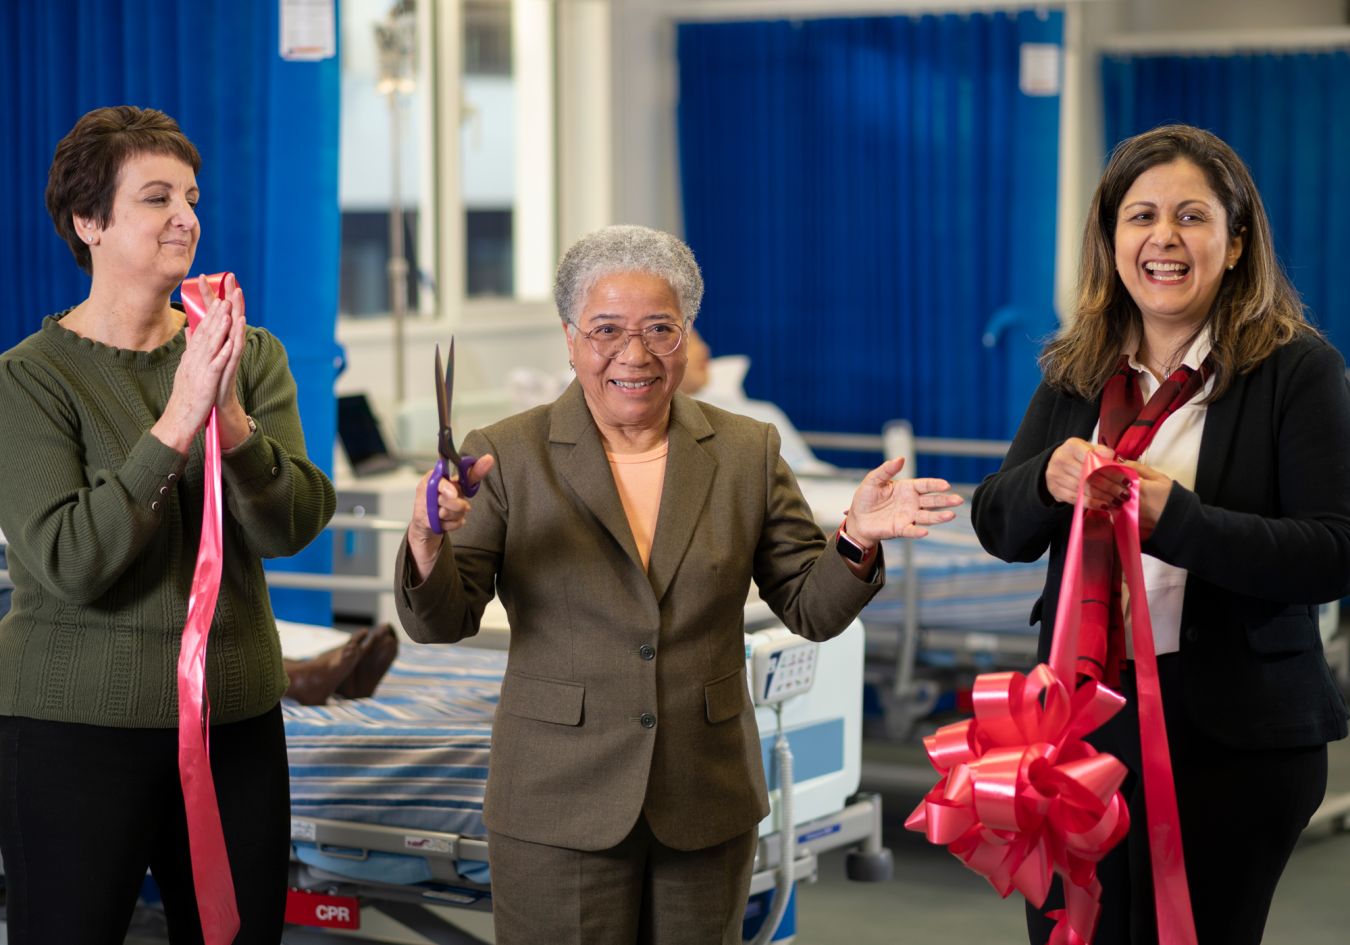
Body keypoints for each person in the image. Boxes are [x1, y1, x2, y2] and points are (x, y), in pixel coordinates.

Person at [396, 224, 962, 945]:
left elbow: (809, 608)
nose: (633, 355)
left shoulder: (744, 450)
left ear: (686, 335)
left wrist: (856, 536)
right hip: (557, 801)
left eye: (659, 329)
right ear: (569, 338)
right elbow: (441, 622)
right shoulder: (505, 454)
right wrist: (426, 537)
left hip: (706, 793)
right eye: (606, 330)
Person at [971, 124, 1350, 944]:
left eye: (1191, 216)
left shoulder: (1299, 371)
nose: (1163, 238)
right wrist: (1046, 480)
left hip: (1236, 736)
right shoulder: (1076, 369)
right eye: (1140, 216)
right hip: (1079, 722)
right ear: (1111, 241)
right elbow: (997, 523)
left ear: (1237, 240)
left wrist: (1176, 518)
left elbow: (1332, 551)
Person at [0, 106, 337, 944]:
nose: (186, 215)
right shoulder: (29, 379)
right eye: (156, 197)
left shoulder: (247, 355)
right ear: (89, 222)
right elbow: (70, 560)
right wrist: (179, 421)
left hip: (236, 725)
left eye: (190, 195)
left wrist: (231, 418)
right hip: (71, 731)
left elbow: (291, 524)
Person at [678, 327, 835, 475]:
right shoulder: (673, 422)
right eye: (690, 342)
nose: (704, 350)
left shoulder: (760, 411)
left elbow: (803, 467)